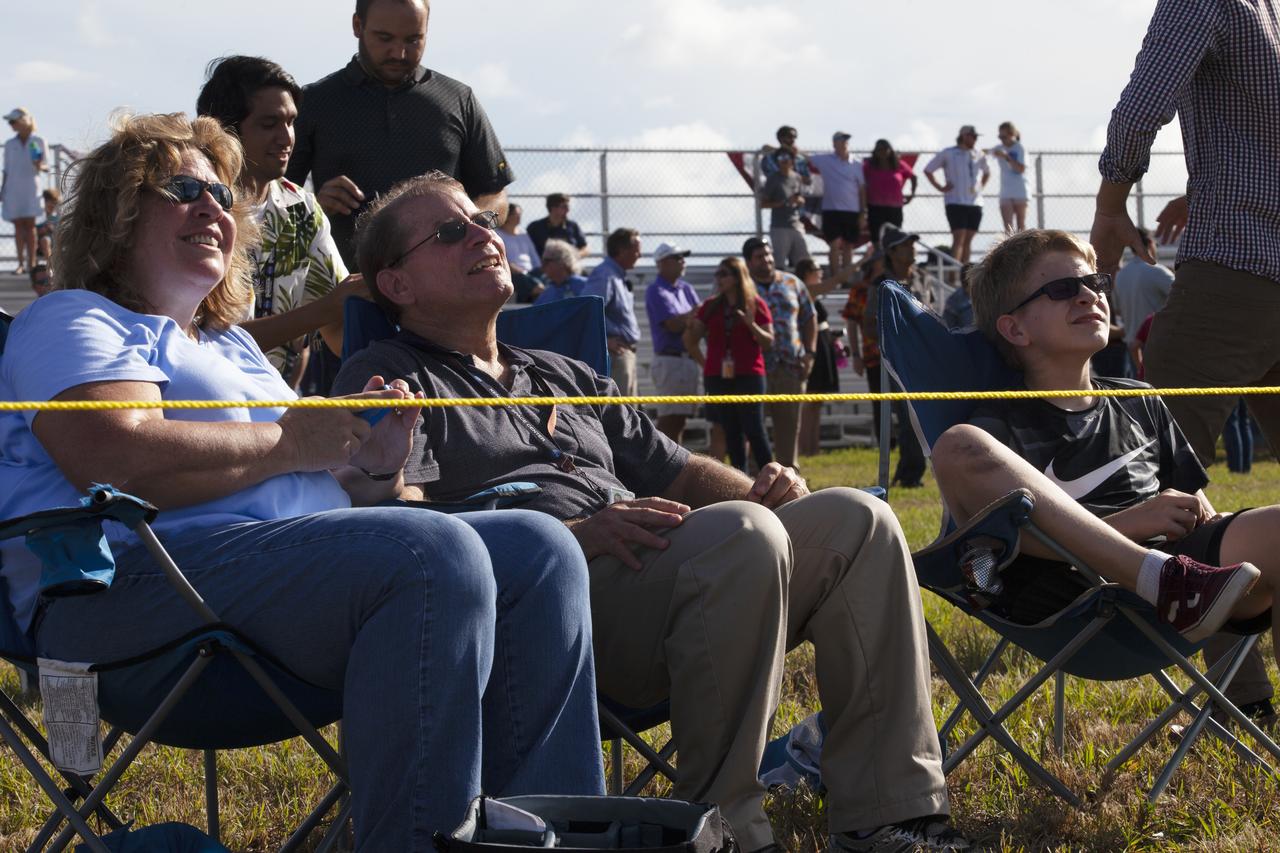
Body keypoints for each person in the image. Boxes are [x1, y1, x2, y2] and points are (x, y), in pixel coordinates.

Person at [0, 113, 603, 850]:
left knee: (538, 549)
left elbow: (319, 490)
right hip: (133, 597)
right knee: (431, 556)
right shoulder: (77, 318)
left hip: (280, 585)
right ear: (117, 210)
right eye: (182, 187)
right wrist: (292, 440)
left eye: (223, 194)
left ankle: (561, 834)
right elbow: (110, 456)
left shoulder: (235, 350)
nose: (213, 207)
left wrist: (376, 470)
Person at [332, 172, 966, 852]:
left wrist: (765, 492)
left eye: (481, 222)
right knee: (742, 536)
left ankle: (889, 813)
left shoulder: (561, 372)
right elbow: (409, 529)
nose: (484, 235)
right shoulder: (392, 376)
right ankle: (727, 829)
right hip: (545, 616)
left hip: (672, 572)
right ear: (396, 284)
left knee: (855, 522)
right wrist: (576, 535)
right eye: (451, 231)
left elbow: (679, 469)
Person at [933, 229, 1280, 666]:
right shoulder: (998, 423)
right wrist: (1133, 523)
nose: (1087, 296)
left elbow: (1195, 507)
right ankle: (1160, 579)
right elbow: (1001, 541)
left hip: (1186, 588)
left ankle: (1176, 593)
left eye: (1095, 283)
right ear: (1014, 328)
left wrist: (1198, 517)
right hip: (1074, 596)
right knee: (957, 444)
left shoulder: (1139, 398)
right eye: (1061, 289)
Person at [285, 0, 514, 266]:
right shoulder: (314, 101)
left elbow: (496, 195)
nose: (399, 53)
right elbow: (268, 197)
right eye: (385, 38)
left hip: (445, 287)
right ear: (358, 26)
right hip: (343, 287)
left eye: (413, 40)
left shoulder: (458, 99)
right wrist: (314, 206)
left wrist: (472, 220)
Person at [196, 55, 365, 388]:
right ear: (224, 132)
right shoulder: (196, 209)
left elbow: (340, 327)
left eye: (290, 122)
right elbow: (201, 344)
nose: (287, 137)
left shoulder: (301, 208)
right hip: (201, 408)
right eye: (269, 124)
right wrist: (324, 311)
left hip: (277, 411)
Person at [684, 256, 775, 473]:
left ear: (737, 277)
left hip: (749, 374)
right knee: (731, 431)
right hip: (718, 377)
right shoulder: (711, 306)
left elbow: (768, 342)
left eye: (723, 274)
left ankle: (771, 477)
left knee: (754, 429)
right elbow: (691, 340)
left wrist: (752, 325)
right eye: (718, 274)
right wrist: (706, 364)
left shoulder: (756, 304)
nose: (719, 278)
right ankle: (741, 482)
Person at [745, 237, 816, 470]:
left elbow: (809, 317)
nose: (766, 259)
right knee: (754, 428)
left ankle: (789, 480)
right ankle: (755, 480)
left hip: (791, 366)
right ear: (748, 262)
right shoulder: (743, 286)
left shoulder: (792, 282)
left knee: (789, 427)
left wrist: (810, 353)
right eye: (759, 256)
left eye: (768, 254)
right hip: (755, 369)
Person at [867, 225, 928, 487]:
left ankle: (907, 471)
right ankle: (911, 474)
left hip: (923, 355)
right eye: (905, 245)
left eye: (912, 243)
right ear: (891, 252)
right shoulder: (880, 284)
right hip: (898, 359)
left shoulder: (922, 277)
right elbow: (869, 322)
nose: (912, 248)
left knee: (919, 416)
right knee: (908, 417)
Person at [644, 242, 700, 443]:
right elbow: (672, 325)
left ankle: (673, 467)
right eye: (678, 258)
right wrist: (695, 315)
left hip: (685, 359)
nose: (683, 261)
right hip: (670, 361)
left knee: (680, 419)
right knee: (669, 420)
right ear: (663, 262)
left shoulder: (686, 288)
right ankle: (660, 466)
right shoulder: (656, 290)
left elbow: (694, 321)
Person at [581, 227, 642, 396]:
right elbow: (588, 309)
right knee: (620, 415)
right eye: (636, 250)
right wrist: (604, 341)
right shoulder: (605, 274)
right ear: (622, 251)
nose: (640, 255)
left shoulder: (615, 275)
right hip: (616, 356)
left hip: (623, 354)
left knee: (628, 413)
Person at [795, 259, 842, 457]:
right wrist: (862, 261)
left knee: (817, 403)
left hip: (824, 347)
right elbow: (833, 283)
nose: (821, 272)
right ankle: (806, 449)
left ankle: (814, 448)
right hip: (813, 350)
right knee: (809, 403)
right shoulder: (805, 290)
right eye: (817, 269)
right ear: (806, 273)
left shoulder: (813, 295)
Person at [923, 126, 990, 264]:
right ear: (964, 136)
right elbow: (928, 170)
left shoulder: (979, 154)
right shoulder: (948, 153)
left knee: (969, 239)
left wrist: (980, 186)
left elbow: (987, 172)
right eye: (973, 136)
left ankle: (964, 275)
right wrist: (940, 187)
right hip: (955, 201)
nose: (975, 139)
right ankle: (955, 275)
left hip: (975, 202)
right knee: (959, 238)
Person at [1111, 228, 1173, 371]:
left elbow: (1118, 310)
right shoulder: (1158, 271)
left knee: (1139, 389)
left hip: (1132, 345)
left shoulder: (1121, 276)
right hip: (1158, 343)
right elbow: (1182, 299)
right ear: (1151, 243)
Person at [810, 132, 868, 277]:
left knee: (849, 245)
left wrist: (863, 212)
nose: (844, 144)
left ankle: (846, 277)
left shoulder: (857, 164)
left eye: (846, 141)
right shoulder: (825, 160)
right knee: (834, 245)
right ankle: (836, 278)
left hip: (852, 211)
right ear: (834, 143)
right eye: (840, 141)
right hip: (831, 210)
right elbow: (803, 156)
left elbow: (862, 189)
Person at [2, 107, 46, 275]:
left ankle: (32, 263)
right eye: (10, 122)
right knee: (18, 227)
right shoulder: (9, 144)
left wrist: (39, 165)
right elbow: (5, 170)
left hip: (31, 188)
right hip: (13, 189)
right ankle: (21, 263)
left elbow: (45, 165)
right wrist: (2, 190)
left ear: (23, 121)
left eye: (13, 121)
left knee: (30, 226)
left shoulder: (38, 140)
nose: (11, 125)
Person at [758, 153, 811, 269]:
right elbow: (763, 203)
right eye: (781, 159)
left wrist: (799, 201)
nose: (784, 161)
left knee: (804, 262)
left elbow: (802, 197)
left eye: (787, 158)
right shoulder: (773, 179)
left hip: (796, 225)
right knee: (779, 263)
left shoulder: (797, 177)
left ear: (792, 161)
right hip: (779, 226)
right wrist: (784, 202)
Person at [863, 139, 917, 243]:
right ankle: (879, 256)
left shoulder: (899, 164)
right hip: (875, 207)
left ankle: (892, 257)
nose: (882, 152)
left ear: (890, 150)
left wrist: (912, 194)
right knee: (877, 237)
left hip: (895, 207)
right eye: (879, 150)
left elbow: (913, 177)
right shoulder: (868, 166)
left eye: (885, 149)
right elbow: (860, 182)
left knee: (895, 236)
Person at [526, 192, 589, 259]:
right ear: (553, 208)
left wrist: (574, 256)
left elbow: (585, 249)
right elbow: (526, 249)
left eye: (568, 207)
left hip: (568, 267)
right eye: (564, 207)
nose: (568, 210)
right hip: (543, 267)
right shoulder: (535, 227)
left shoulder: (572, 226)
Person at [532, 238, 586, 305]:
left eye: (546, 261)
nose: (542, 266)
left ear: (563, 261)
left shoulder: (585, 286)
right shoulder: (547, 293)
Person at [497, 201, 539, 274]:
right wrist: (521, 272)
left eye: (520, 214)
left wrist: (539, 270)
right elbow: (501, 259)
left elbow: (534, 255)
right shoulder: (498, 235)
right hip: (513, 274)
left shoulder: (524, 235)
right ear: (507, 216)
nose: (519, 216)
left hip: (530, 273)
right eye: (516, 214)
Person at [36, 187, 60, 261]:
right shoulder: (39, 216)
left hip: (56, 242)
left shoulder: (57, 216)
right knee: (45, 240)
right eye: (50, 202)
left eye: (54, 203)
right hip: (41, 243)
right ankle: (50, 266)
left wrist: (52, 228)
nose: (52, 205)